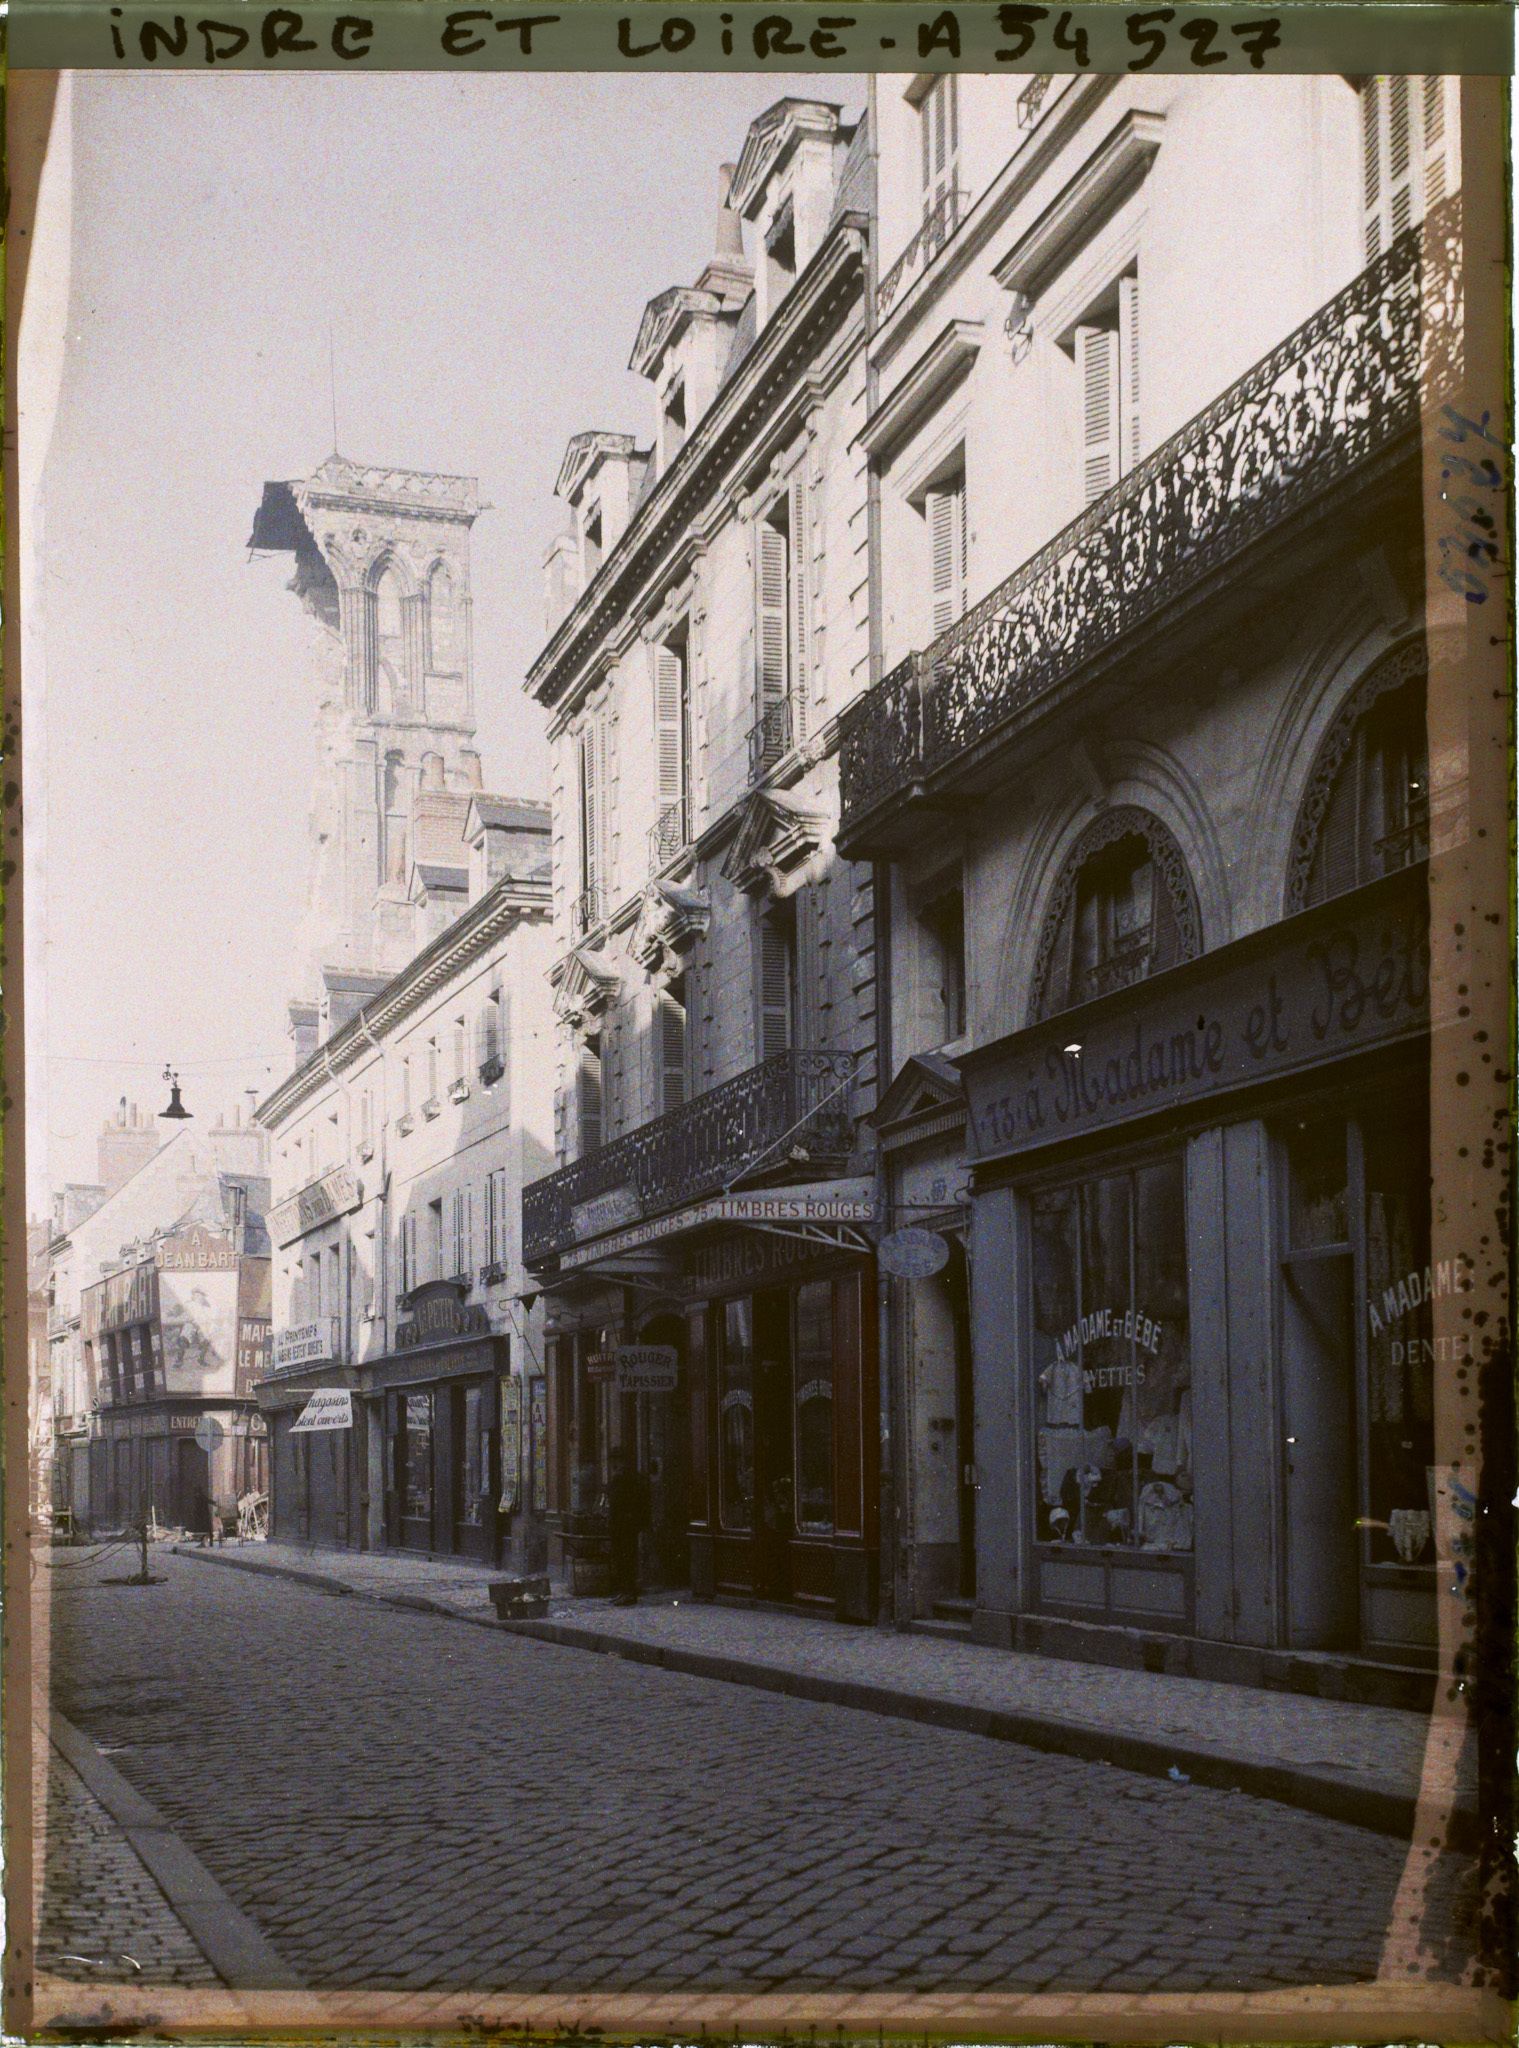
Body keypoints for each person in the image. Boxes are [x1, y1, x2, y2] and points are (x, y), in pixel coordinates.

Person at [605, 1446, 651, 1606]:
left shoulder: (628, 1478)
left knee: (626, 1560)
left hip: (625, 1526)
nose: (613, 1464)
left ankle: (629, 1593)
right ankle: (624, 1592)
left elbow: (632, 1501)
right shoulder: (623, 1478)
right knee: (621, 1559)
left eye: (616, 1461)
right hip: (621, 1525)